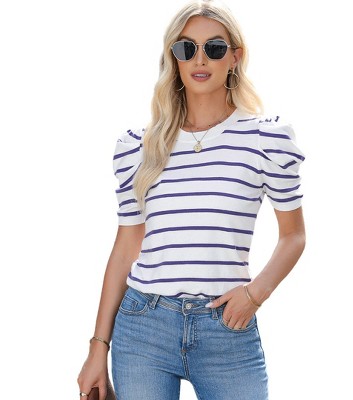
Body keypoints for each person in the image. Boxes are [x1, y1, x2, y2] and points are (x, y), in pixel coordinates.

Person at [77, 1, 306, 399]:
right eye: (187, 48)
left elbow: (294, 236)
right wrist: (98, 347)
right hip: (143, 326)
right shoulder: (139, 147)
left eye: (214, 48)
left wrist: (255, 294)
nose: (200, 59)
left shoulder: (265, 139)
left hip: (228, 328)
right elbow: (126, 248)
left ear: (235, 57)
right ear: (174, 58)